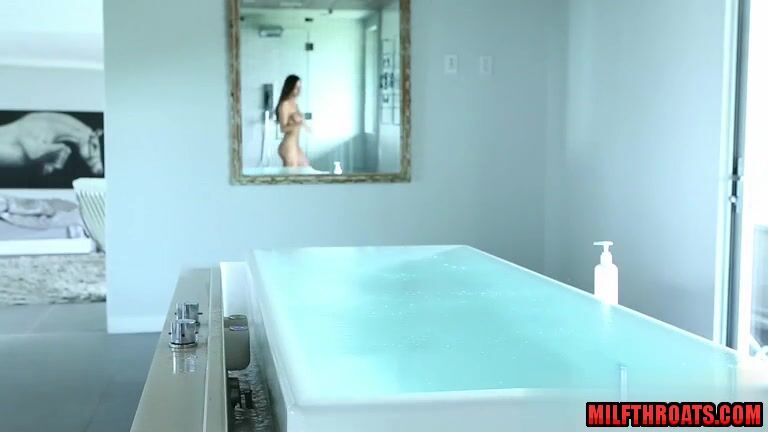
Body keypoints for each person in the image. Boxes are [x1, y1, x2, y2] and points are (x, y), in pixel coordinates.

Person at [275, 75, 311, 167]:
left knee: (306, 166)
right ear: (290, 87)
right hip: (288, 146)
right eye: (296, 87)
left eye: (300, 87)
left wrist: (305, 126)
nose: (299, 90)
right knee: (292, 174)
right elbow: (283, 128)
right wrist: (298, 124)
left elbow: (300, 121)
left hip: (295, 145)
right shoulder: (284, 104)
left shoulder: (294, 103)